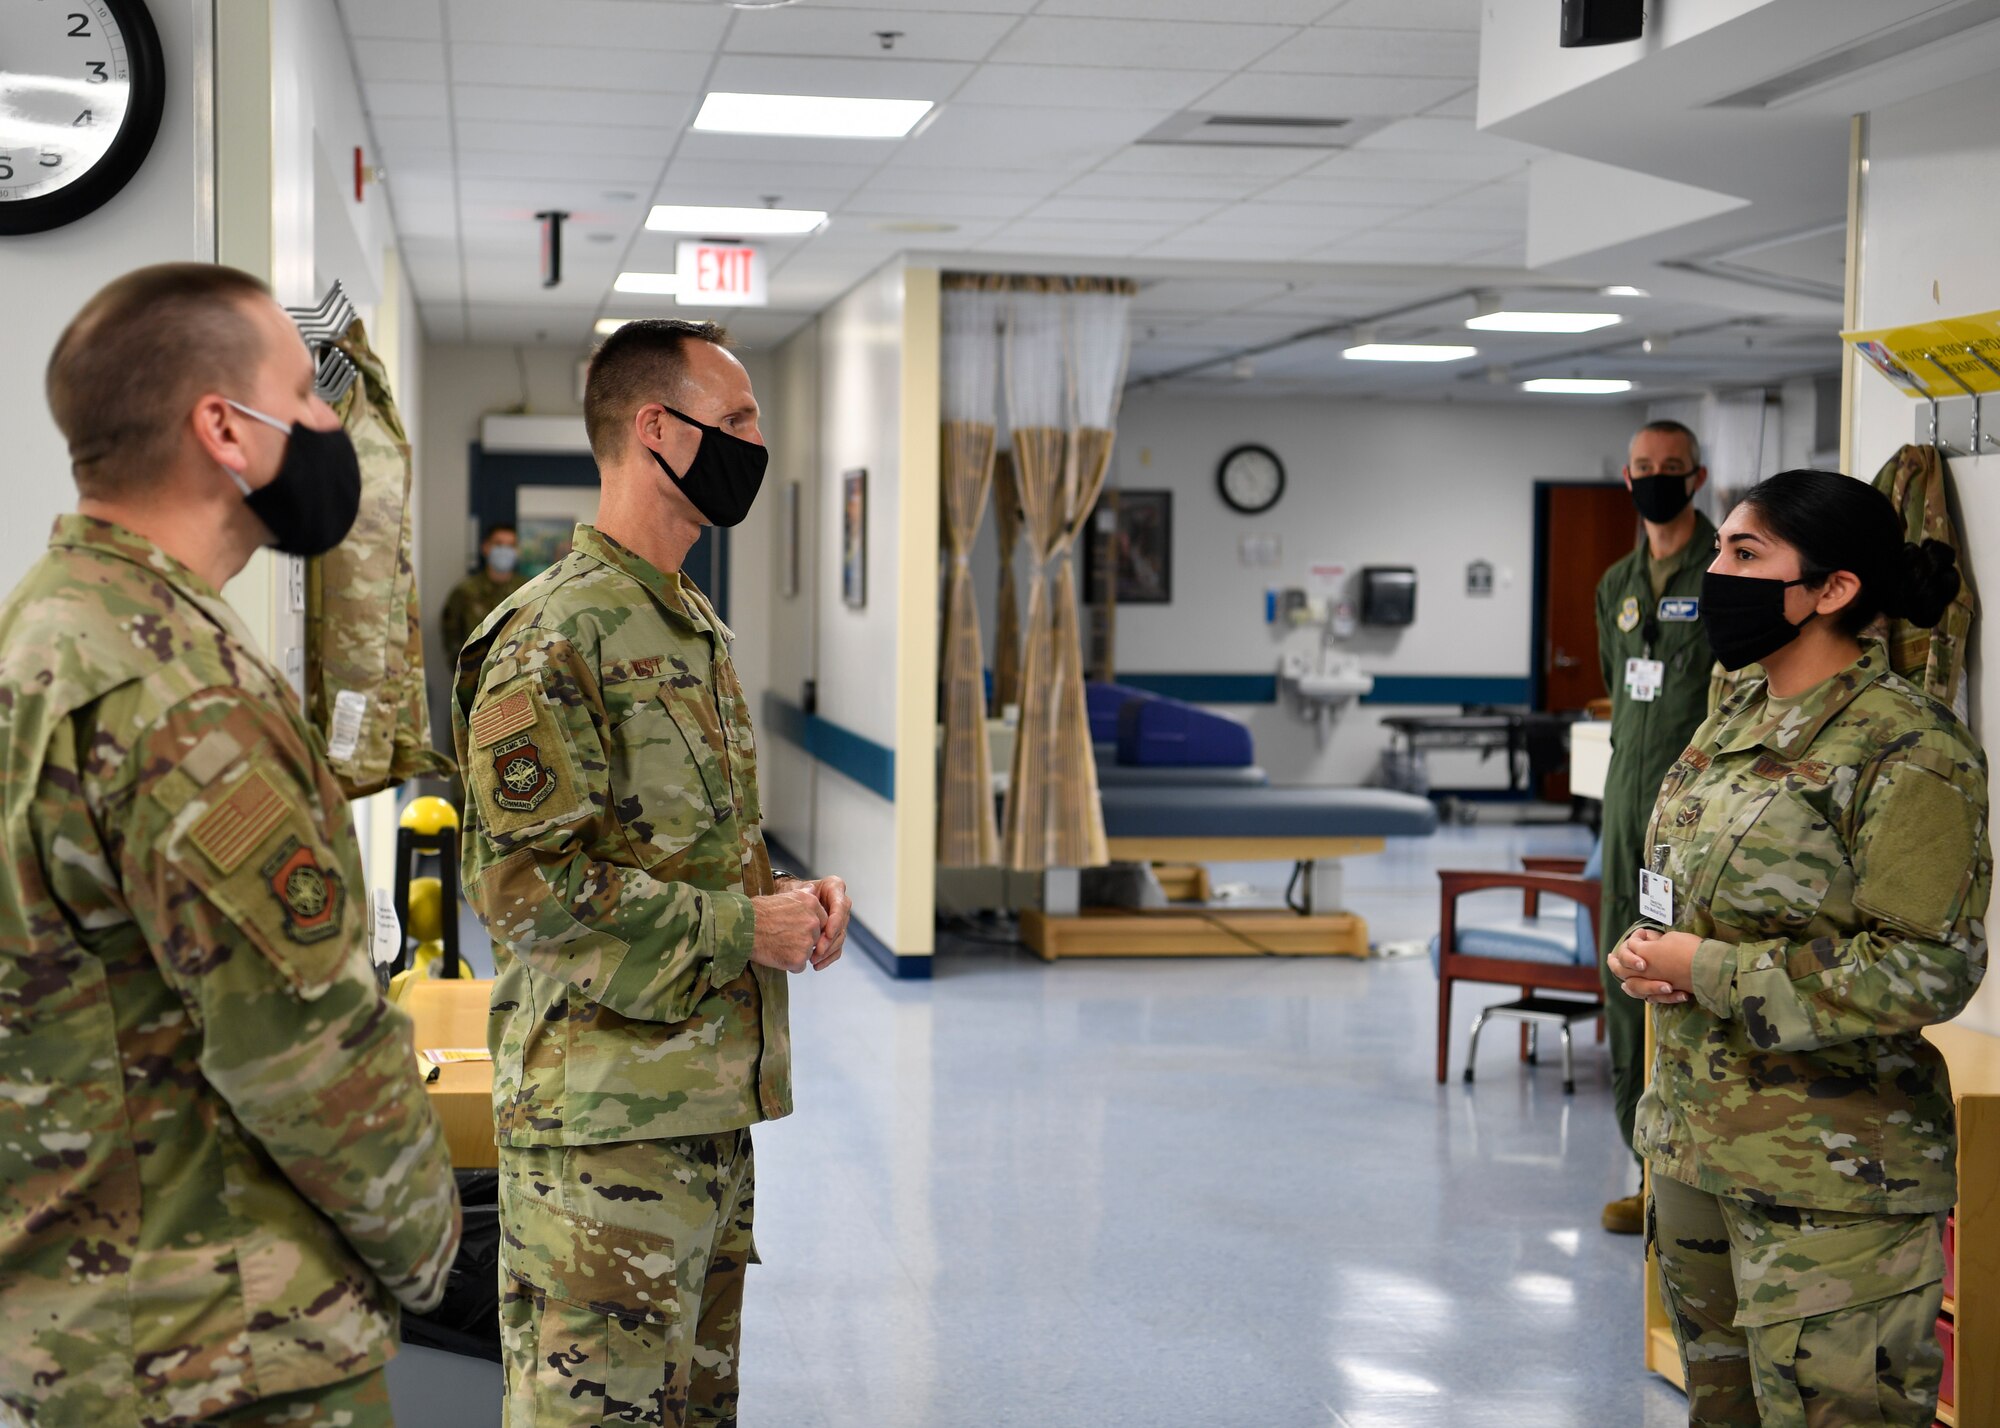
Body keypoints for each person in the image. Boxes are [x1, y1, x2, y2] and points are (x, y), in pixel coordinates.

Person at [0, 264, 462, 1425]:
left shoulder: (47, 631)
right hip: (225, 1345)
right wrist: (428, 1247)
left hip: (91, 1320)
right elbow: (300, 1050)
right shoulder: (173, 688)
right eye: (305, 394)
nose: (325, 425)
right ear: (223, 428)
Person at [455, 318, 850, 1426]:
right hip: (600, 1131)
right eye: (734, 420)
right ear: (652, 428)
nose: (754, 442)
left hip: (703, 1111)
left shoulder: (689, 624)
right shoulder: (548, 637)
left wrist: (791, 906)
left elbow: (689, 851)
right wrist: (742, 930)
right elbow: (528, 896)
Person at [1609, 469, 1988, 1427]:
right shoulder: (1731, 718)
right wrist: (1652, 950)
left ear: (1833, 589)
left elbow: (1930, 966)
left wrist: (1712, 970)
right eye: (1722, 548)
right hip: (1698, 1143)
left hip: (1833, 1180)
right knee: (1722, 1411)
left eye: (1745, 555)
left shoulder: (1909, 747)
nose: (1719, 574)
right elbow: (1690, 890)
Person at [1593, 418, 1716, 1235]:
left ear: (1696, 478)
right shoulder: (1617, 584)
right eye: (1644, 468)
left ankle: (1689, 1180)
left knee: (1680, 986)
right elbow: (1618, 686)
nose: (1657, 479)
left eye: (1671, 468)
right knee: (1621, 981)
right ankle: (1643, 1172)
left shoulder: (1727, 574)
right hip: (1624, 807)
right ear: (1627, 479)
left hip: (1696, 816)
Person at [440, 521, 523, 660]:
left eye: (511, 546)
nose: (505, 550)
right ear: (485, 547)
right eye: (499, 544)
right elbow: (452, 639)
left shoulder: (528, 589)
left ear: (517, 551)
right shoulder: (464, 592)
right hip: (475, 676)